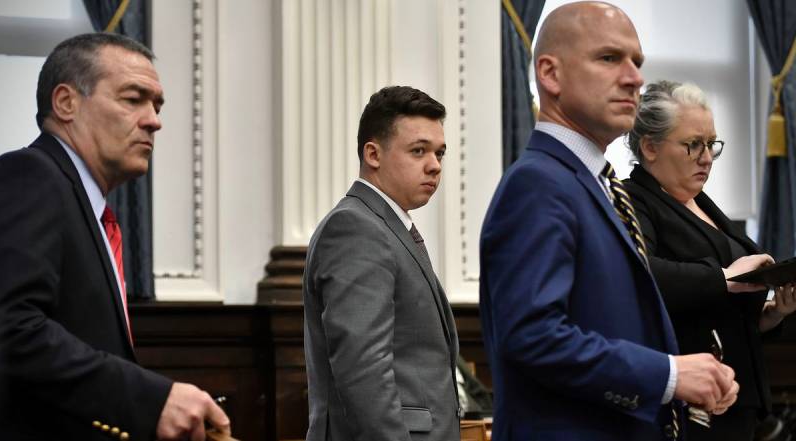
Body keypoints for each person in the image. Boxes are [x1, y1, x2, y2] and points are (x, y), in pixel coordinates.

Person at [479, 3, 740, 440]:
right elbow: (533, 337)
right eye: (609, 58)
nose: (634, 78)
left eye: (637, 62)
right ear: (550, 74)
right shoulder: (538, 183)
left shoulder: (596, 183)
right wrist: (668, 376)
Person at [0, 33, 230, 440]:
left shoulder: (89, 208)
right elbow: (9, 326)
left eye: (157, 106)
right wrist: (150, 400)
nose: (154, 120)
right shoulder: (31, 175)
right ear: (66, 103)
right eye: (133, 99)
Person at [623, 79, 796, 441]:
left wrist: (772, 314)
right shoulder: (633, 200)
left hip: (738, 396)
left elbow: (723, 307)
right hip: (687, 404)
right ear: (650, 147)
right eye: (693, 145)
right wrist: (724, 277)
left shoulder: (700, 202)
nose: (706, 158)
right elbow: (642, 275)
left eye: (711, 145)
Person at [302, 85, 459, 441]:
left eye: (439, 153)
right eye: (418, 151)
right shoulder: (356, 228)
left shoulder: (385, 225)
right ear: (373, 154)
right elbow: (363, 371)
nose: (435, 165)